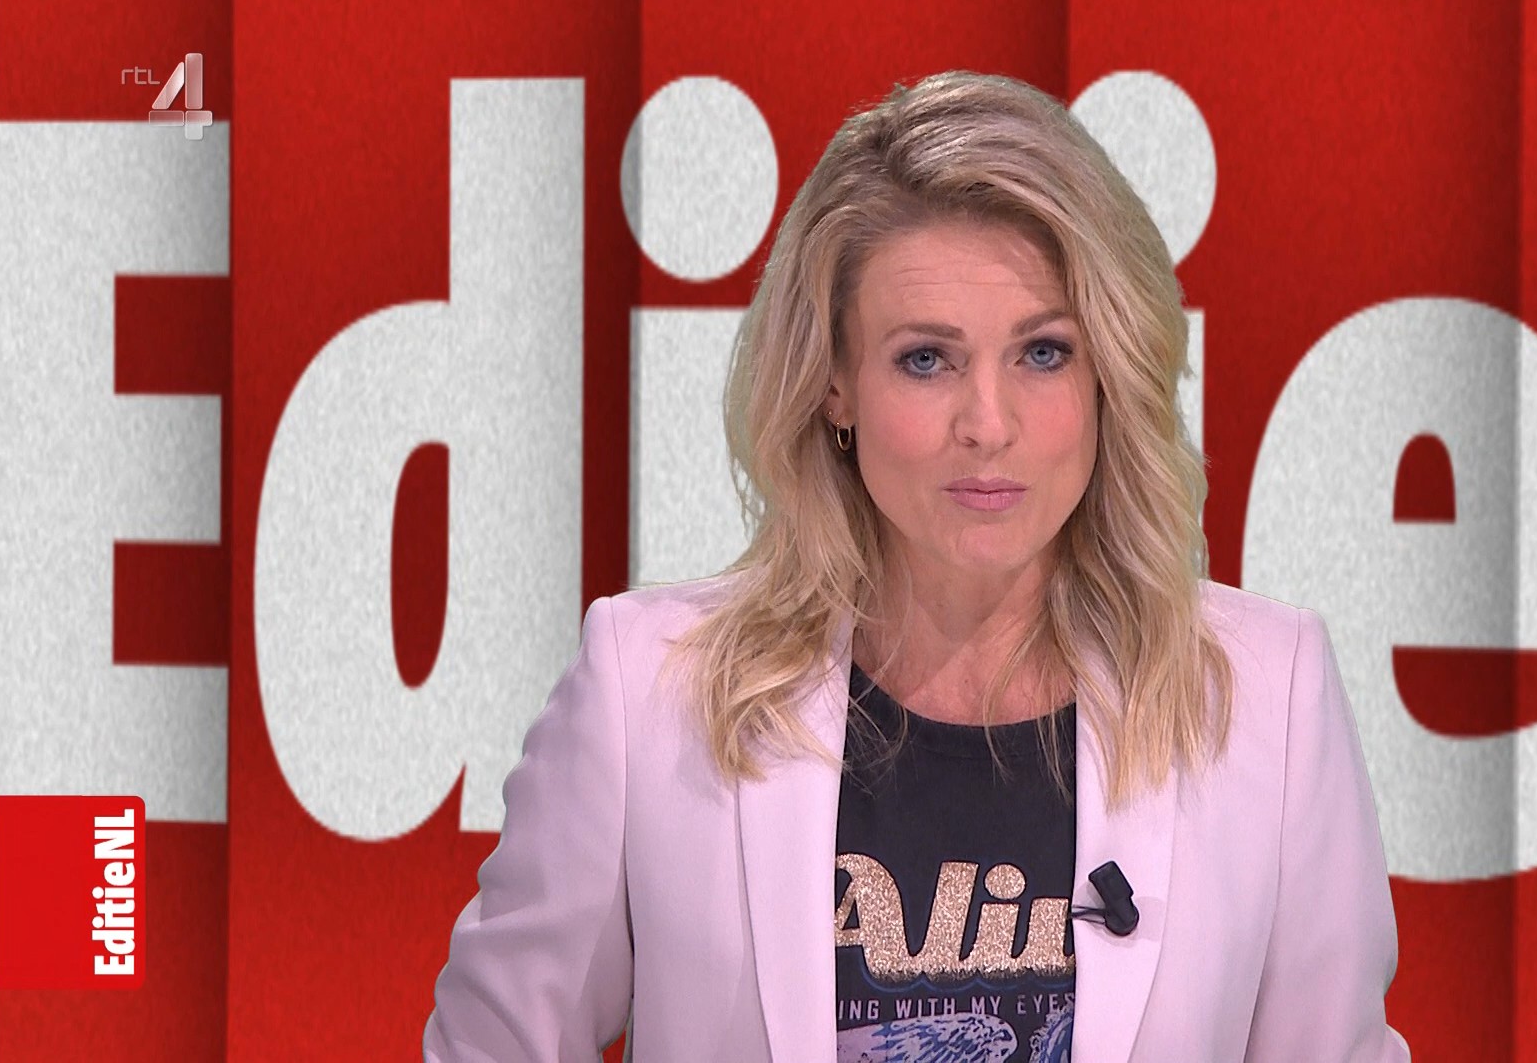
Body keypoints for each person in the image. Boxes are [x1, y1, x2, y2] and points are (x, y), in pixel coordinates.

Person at [423, 70, 1409, 1062]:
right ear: (835, 384)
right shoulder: (648, 690)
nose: (988, 424)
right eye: (927, 360)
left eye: (1043, 353)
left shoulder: (1267, 697)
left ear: (1110, 373)